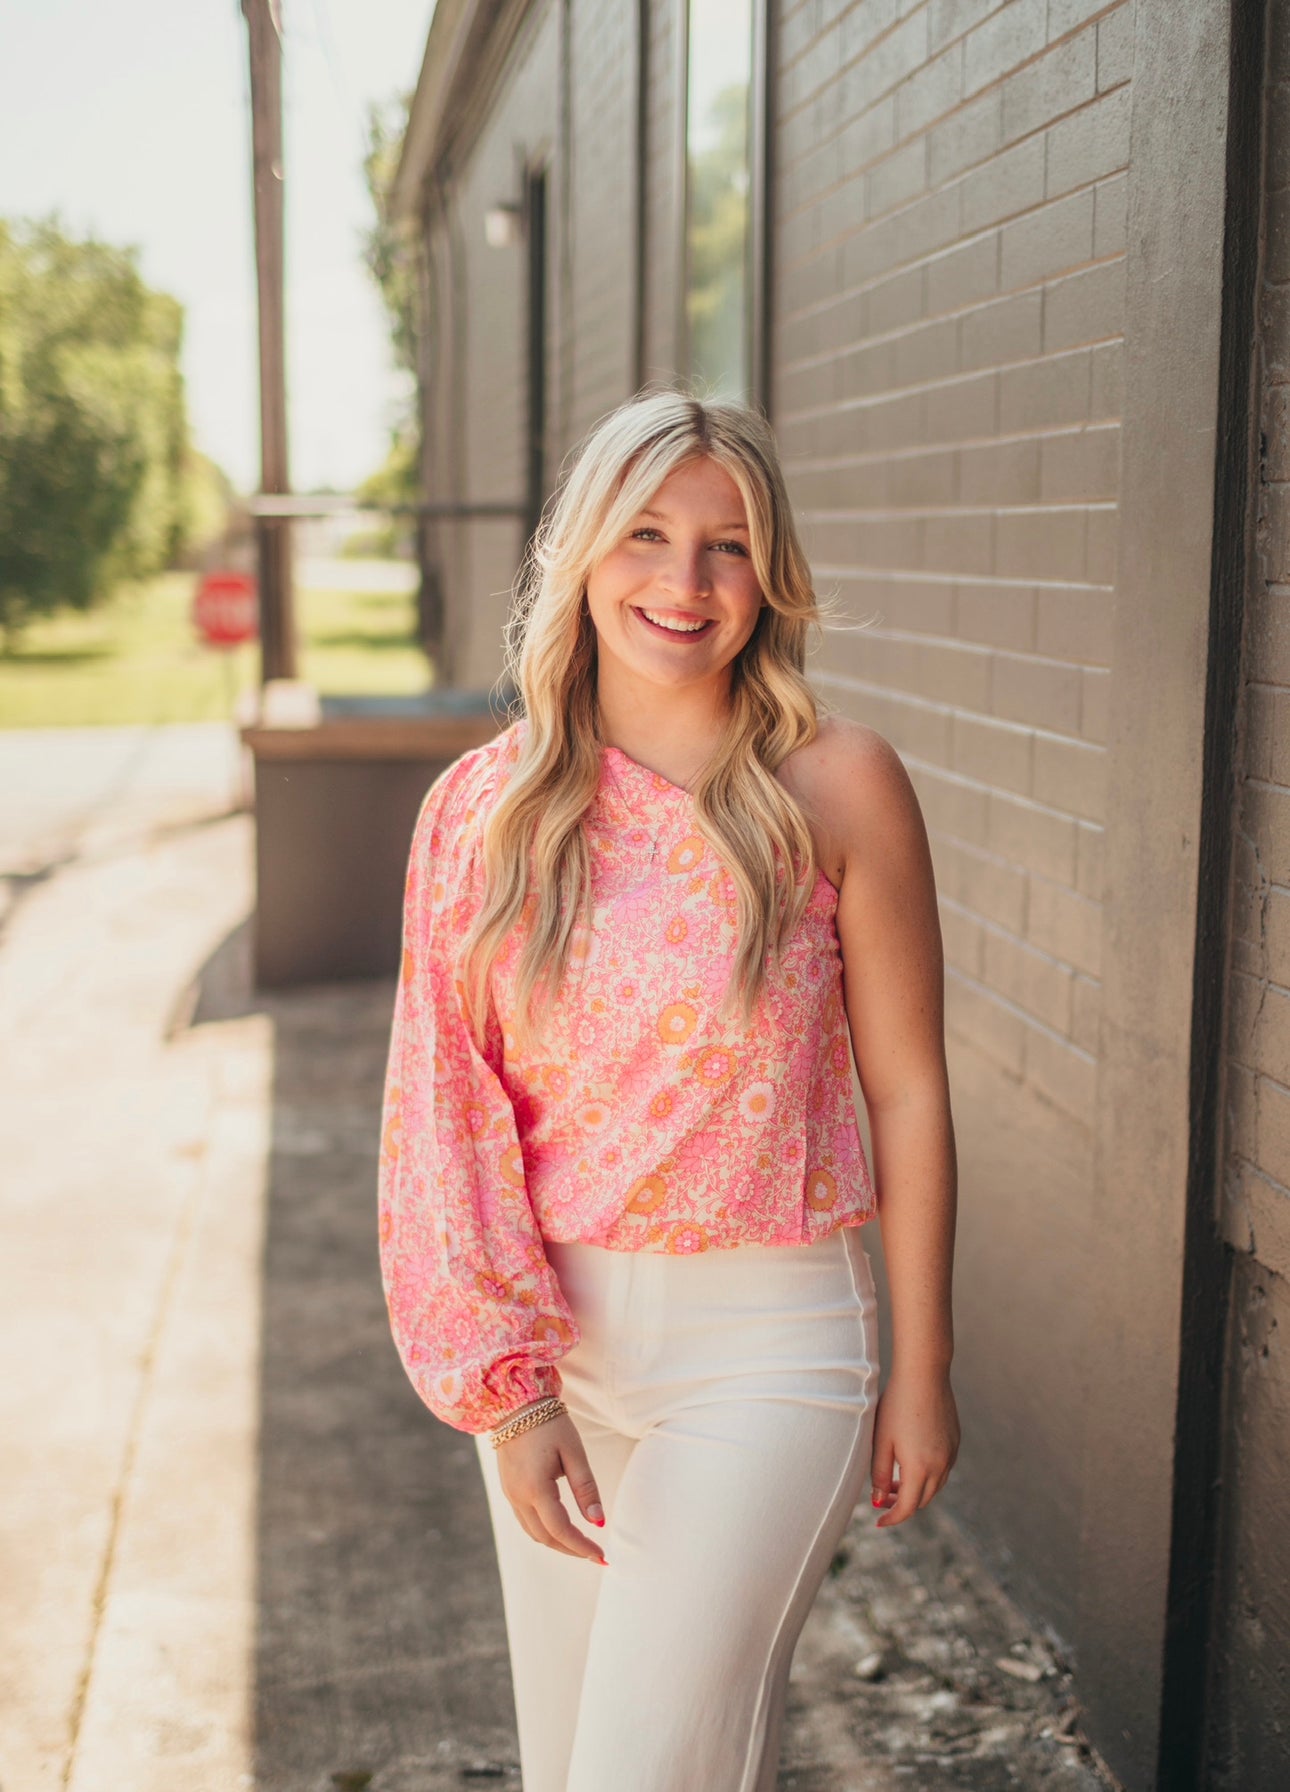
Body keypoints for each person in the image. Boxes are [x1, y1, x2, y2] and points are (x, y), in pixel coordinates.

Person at [378, 389, 959, 1792]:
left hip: (768, 1354)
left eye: (728, 544)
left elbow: (907, 1089)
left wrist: (926, 1369)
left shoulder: (835, 785)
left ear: (771, 573)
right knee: (579, 1763)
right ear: (582, 550)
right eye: (645, 533)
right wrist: (510, 1398)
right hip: (557, 1353)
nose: (684, 582)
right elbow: (439, 1121)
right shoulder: (485, 809)